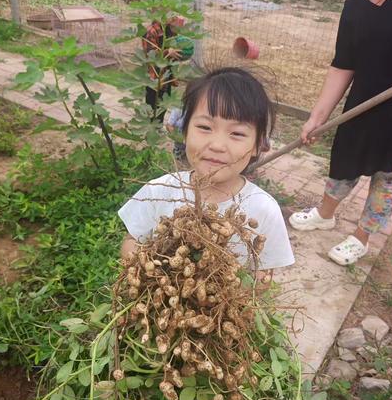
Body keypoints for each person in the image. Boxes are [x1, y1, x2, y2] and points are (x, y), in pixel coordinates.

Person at [119, 68, 295, 285]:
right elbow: (131, 240)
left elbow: (263, 277)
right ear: (184, 132)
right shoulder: (158, 190)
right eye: (204, 127)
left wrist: (228, 297)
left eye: (237, 133)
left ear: (259, 145)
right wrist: (149, 276)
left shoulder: (264, 210)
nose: (217, 145)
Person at [289, 0, 392, 266]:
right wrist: (317, 117)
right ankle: (325, 215)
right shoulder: (355, 2)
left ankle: (362, 237)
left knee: (391, 177)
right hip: (364, 103)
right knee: (345, 160)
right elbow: (343, 63)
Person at [142, 16, 184, 123]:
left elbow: (175, 46)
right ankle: (151, 131)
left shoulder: (170, 29)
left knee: (163, 106)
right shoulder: (150, 31)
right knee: (152, 106)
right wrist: (166, 52)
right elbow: (150, 54)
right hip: (154, 77)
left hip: (167, 75)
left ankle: (158, 127)